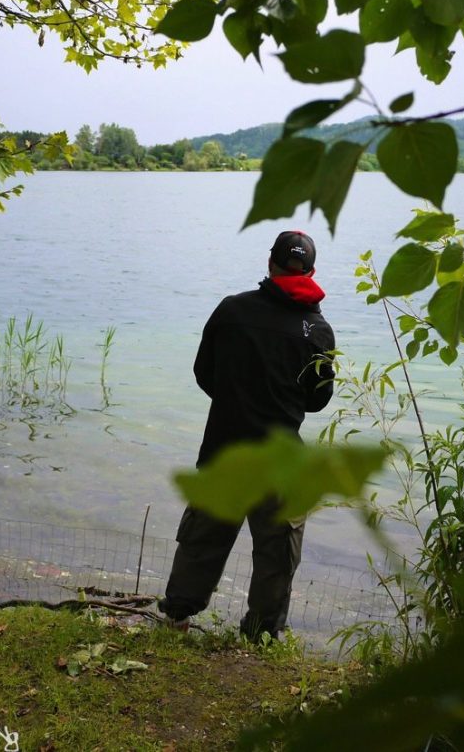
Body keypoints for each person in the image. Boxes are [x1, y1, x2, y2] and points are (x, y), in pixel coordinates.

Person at [159, 230, 336, 640]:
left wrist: (235, 401)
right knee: (277, 555)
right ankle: (260, 635)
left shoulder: (231, 311)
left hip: (225, 451)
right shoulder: (318, 331)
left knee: (203, 542)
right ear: (310, 271)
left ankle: (177, 619)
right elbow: (317, 401)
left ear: (270, 264)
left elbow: (204, 373)